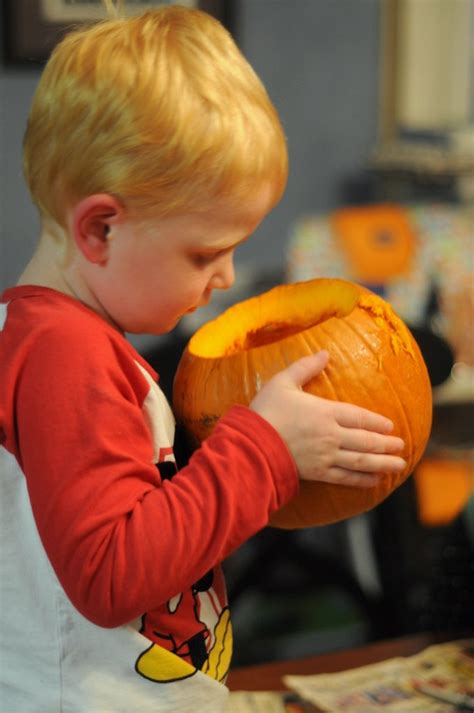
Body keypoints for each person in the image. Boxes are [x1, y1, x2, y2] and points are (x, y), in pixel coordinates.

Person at [0, 5, 406, 712]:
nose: (223, 277)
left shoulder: (62, 338)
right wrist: (263, 451)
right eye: (204, 253)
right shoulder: (66, 354)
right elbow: (107, 572)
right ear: (100, 228)